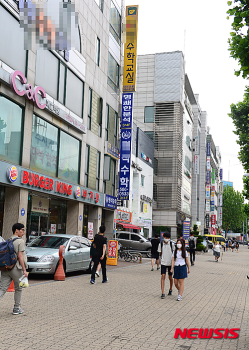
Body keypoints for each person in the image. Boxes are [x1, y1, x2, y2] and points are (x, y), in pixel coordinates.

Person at [0, 223, 28, 315]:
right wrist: (24, 270)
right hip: (16, 268)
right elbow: (20, 256)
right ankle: (17, 308)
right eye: (22, 230)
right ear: (17, 230)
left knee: (2, 289)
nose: (24, 232)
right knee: (18, 288)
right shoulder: (20, 241)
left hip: (6, 268)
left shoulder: (8, 240)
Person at [158, 232, 174, 299]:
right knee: (163, 276)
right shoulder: (161, 244)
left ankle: (170, 289)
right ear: (163, 237)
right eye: (165, 237)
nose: (166, 239)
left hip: (170, 263)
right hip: (163, 263)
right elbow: (160, 253)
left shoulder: (172, 244)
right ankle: (163, 292)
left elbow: (174, 254)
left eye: (168, 238)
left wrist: (173, 264)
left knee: (170, 277)